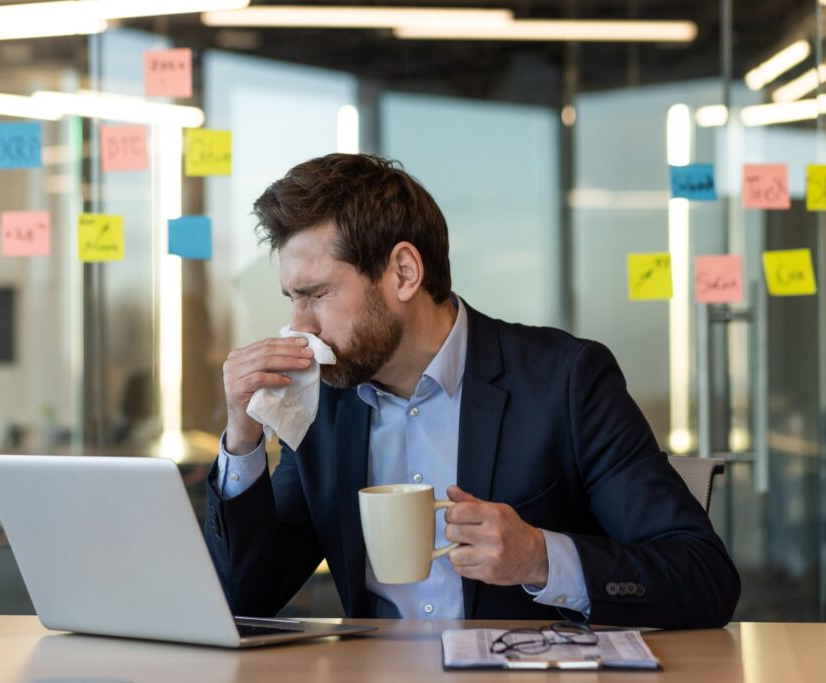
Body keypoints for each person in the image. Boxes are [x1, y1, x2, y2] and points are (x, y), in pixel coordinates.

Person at [204, 153, 740, 628]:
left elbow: (704, 578)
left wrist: (540, 557)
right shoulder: (324, 404)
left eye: (315, 294)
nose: (300, 326)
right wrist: (242, 440)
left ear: (404, 273)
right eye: (291, 299)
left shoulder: (567, 380)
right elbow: (245, 596)